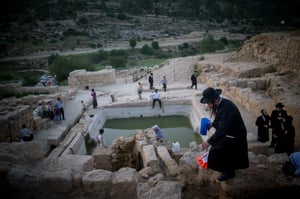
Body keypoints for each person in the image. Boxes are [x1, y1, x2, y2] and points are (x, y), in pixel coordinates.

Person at [200, 87, 249, 181]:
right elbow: (219, 119)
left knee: (216, 154)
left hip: (235, 136)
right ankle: (228, 167)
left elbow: (222, 130)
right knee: (215, 151)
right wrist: (212, 124)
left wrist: (209, 141)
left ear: (214, 100)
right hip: (229, 134)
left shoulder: (227, 108)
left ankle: (228, 172)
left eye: (208, 103)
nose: (208, 105)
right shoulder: (221, 104)